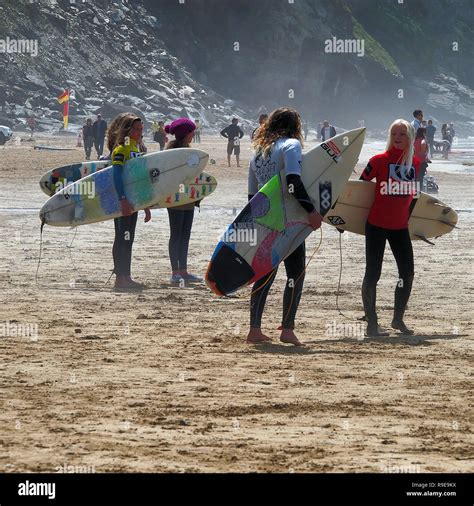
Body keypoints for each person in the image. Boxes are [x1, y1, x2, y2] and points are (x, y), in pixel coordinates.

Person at [247, 107, 323, 347]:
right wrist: (311, 211)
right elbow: (293, 181)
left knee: (264, 272)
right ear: (295, 126)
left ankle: (254, 329)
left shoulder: (258, 153)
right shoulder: (291, 145)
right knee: (295, 273)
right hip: (290, 220)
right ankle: (287, 329)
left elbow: (251, 194)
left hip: (263, 218)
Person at [359, 119, 421, 337]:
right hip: (376, 225)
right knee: (373, 274)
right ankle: (372, 325)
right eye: (394, 133)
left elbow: (415, 196)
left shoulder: (415, 163)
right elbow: (359, 190)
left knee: (408, 273)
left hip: (400, 227)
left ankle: (397, 320)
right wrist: (346, 221)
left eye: (402, 134)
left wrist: (408, 219)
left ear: (410, 137)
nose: (397, 137)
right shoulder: (378, 160)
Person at [110, 113, 151, 290]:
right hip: (123, 202)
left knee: (129, 239)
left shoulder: (137, 149)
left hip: (135, 202)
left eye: (142, 129)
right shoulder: (121, 150)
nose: (140, 133)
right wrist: (123, 200)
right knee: (121, 238)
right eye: (137, 129)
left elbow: (141, 179)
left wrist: (146, 205)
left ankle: (126, 276)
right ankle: (120, 278)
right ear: (128, 130)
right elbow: (117, 177)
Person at [164, 118, 202, 284]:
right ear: (185, 133)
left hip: (188, 199)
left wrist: (199, 194)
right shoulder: (171, 153)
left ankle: (184, 271)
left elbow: (195, 175)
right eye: (191, 131)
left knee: (185, 235)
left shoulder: (190, 151)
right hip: (175, 199)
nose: (193, 134)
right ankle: (175, 272)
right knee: (176, 234)